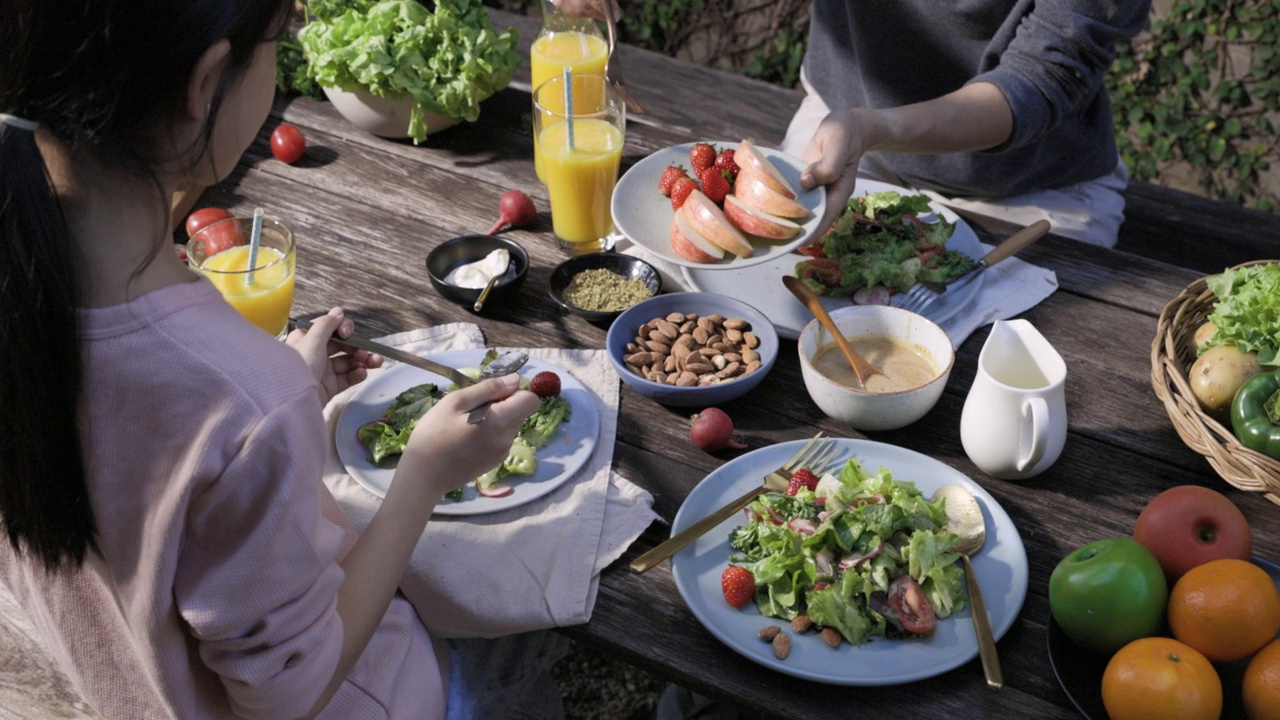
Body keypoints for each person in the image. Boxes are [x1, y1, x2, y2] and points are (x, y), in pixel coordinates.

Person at [0, 1, 544, 718]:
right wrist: (425, 474)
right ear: (207, 83)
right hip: (367, 700)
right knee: (517, 633)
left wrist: (273, 409)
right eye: (276, 48)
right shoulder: (240, 397)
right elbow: (288, 689)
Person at [784, 0, 1153, 248]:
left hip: (1029, 195)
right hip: (840, 131)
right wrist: (861, 130)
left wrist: (871, 130)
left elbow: (1040, 78)